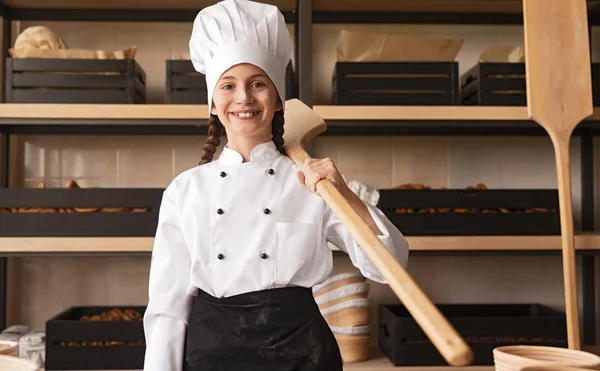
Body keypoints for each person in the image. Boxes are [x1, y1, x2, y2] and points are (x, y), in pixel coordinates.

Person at [142, 1, 409, 370]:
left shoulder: (313, 183)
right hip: (211, 355)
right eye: (229, 85)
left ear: (278, 98)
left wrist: (345, 194)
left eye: (257, 84)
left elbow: (390, 265)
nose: (244, 98)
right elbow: (167, 309)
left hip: (302, 354)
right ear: (213, 104)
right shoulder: (185, 191)